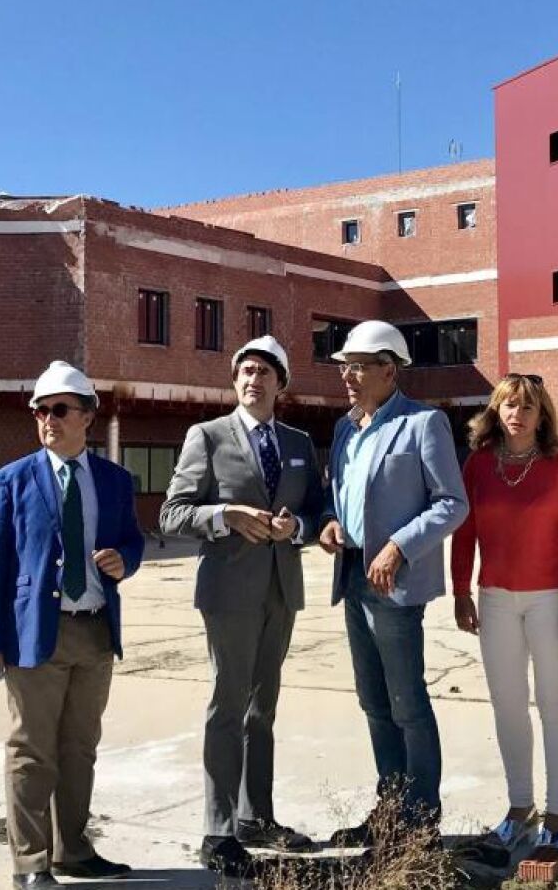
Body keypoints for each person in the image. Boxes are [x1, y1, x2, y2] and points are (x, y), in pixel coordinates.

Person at [0, 360, 146, 890]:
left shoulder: (115, 480)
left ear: (87, 416)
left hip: (95, 632)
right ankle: (30, 863)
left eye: (59, 409)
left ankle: (73, 850)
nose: (48, 419)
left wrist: (125, 560)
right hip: (34, 635)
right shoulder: (13, 479)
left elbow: (132, 540)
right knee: (31, 751)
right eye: (40, 410)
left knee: (79, 749)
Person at [160, 336, 327, 878]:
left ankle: (257, 818)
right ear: (235, 381)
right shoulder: (207, 437)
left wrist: (297, 528)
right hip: (229, 592)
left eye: (264, 372)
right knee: (227, 706)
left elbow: (318, 510)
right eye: (246, 371)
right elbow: (172, 513)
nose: (253, 380)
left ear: (281, 384)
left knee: (263, 710)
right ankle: (218, 830)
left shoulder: (299, 442)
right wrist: (224, 515)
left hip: (281, 590)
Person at [315, 320, 469, 845]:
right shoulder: (344, 429)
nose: (348, 376)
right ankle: (390, 813)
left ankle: (420, 822)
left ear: (389, 370)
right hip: (353, 577)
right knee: (374, 703)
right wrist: (330, 522)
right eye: (345, 367)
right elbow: (337, 496)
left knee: (407, 704)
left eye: (358, 367)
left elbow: (451, 503)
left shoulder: (424, 424)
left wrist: (399, 546)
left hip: (394, 585)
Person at [450, 373, 558, 857]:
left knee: (555, 702)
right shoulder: (478, 464)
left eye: (528, 406)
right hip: (495, 599)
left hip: (552, 597)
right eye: (509, 405)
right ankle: (520, 808)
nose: (517, 414)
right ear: (495, 410)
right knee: (507, 704)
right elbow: (464, 531)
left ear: (542, 415)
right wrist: (460, 590)